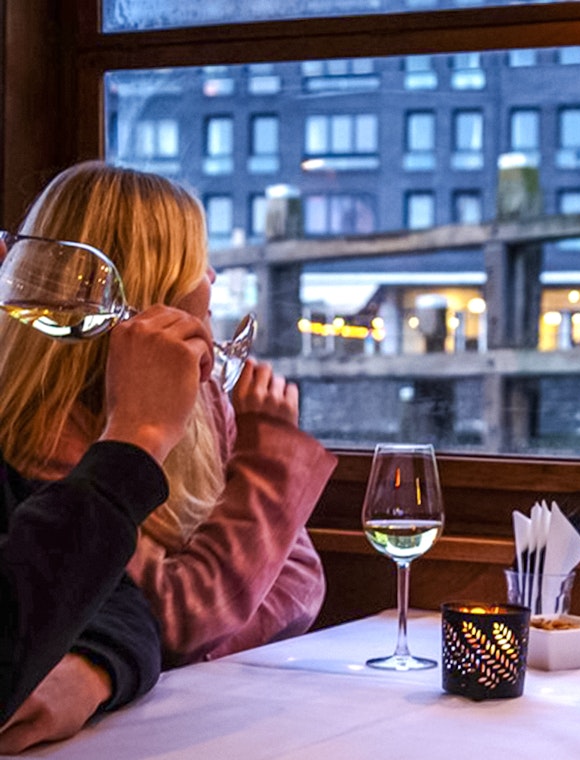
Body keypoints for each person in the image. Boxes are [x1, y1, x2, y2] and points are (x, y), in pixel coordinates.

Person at [0, 162, 337, 669]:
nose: (212, 277)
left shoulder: (205, 403)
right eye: (197, 261)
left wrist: (191, 642)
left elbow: (300, 585)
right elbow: (176, 618)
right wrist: (268, 461)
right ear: (150, 281)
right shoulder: (45, 431)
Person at [0, 305, 214, 753]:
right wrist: (138, 437)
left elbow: (123, 603)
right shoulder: (46, 432)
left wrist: (90, 669)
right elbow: (180, 611)